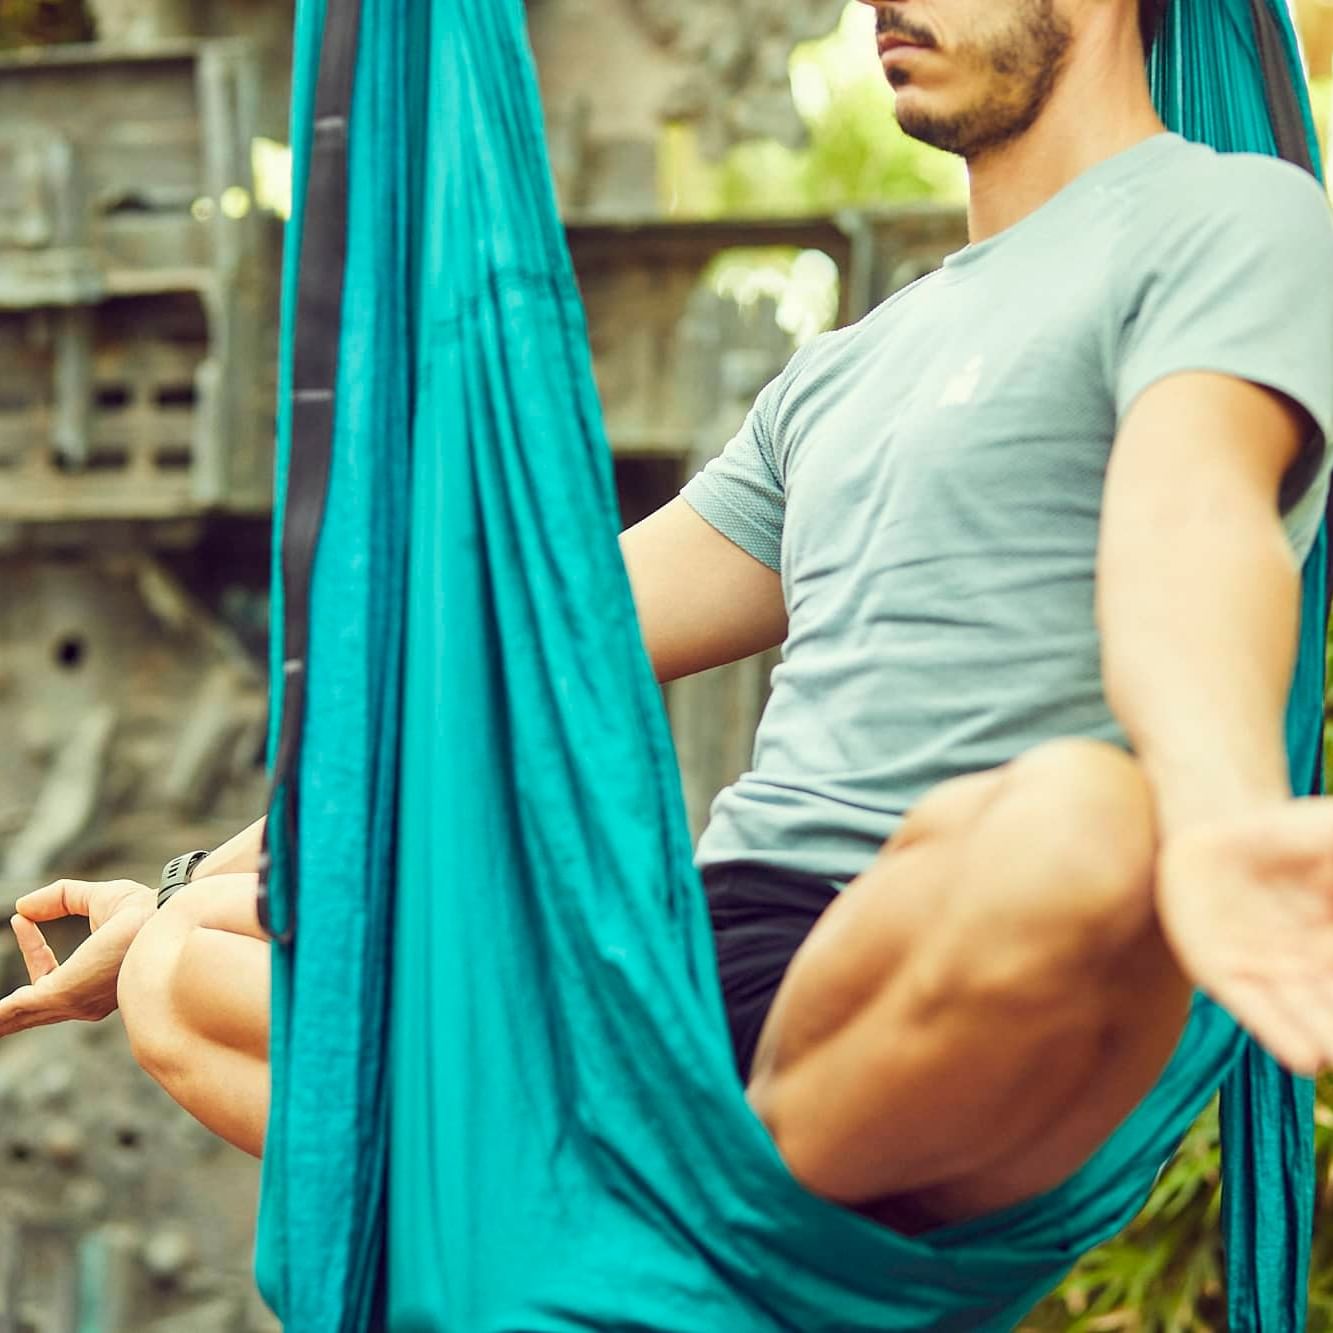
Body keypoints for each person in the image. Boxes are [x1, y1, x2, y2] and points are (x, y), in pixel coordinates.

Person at [4, 0, 1333, 1237]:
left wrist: (1221, 815)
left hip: (972, 954)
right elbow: (526, 666)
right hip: (703, 972)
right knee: (184, 963)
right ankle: (655, 1202)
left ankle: (663, 1209)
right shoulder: (840, 373)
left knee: (1081, 825)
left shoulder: (1229, 221)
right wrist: (189, 882)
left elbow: (1188, 521)